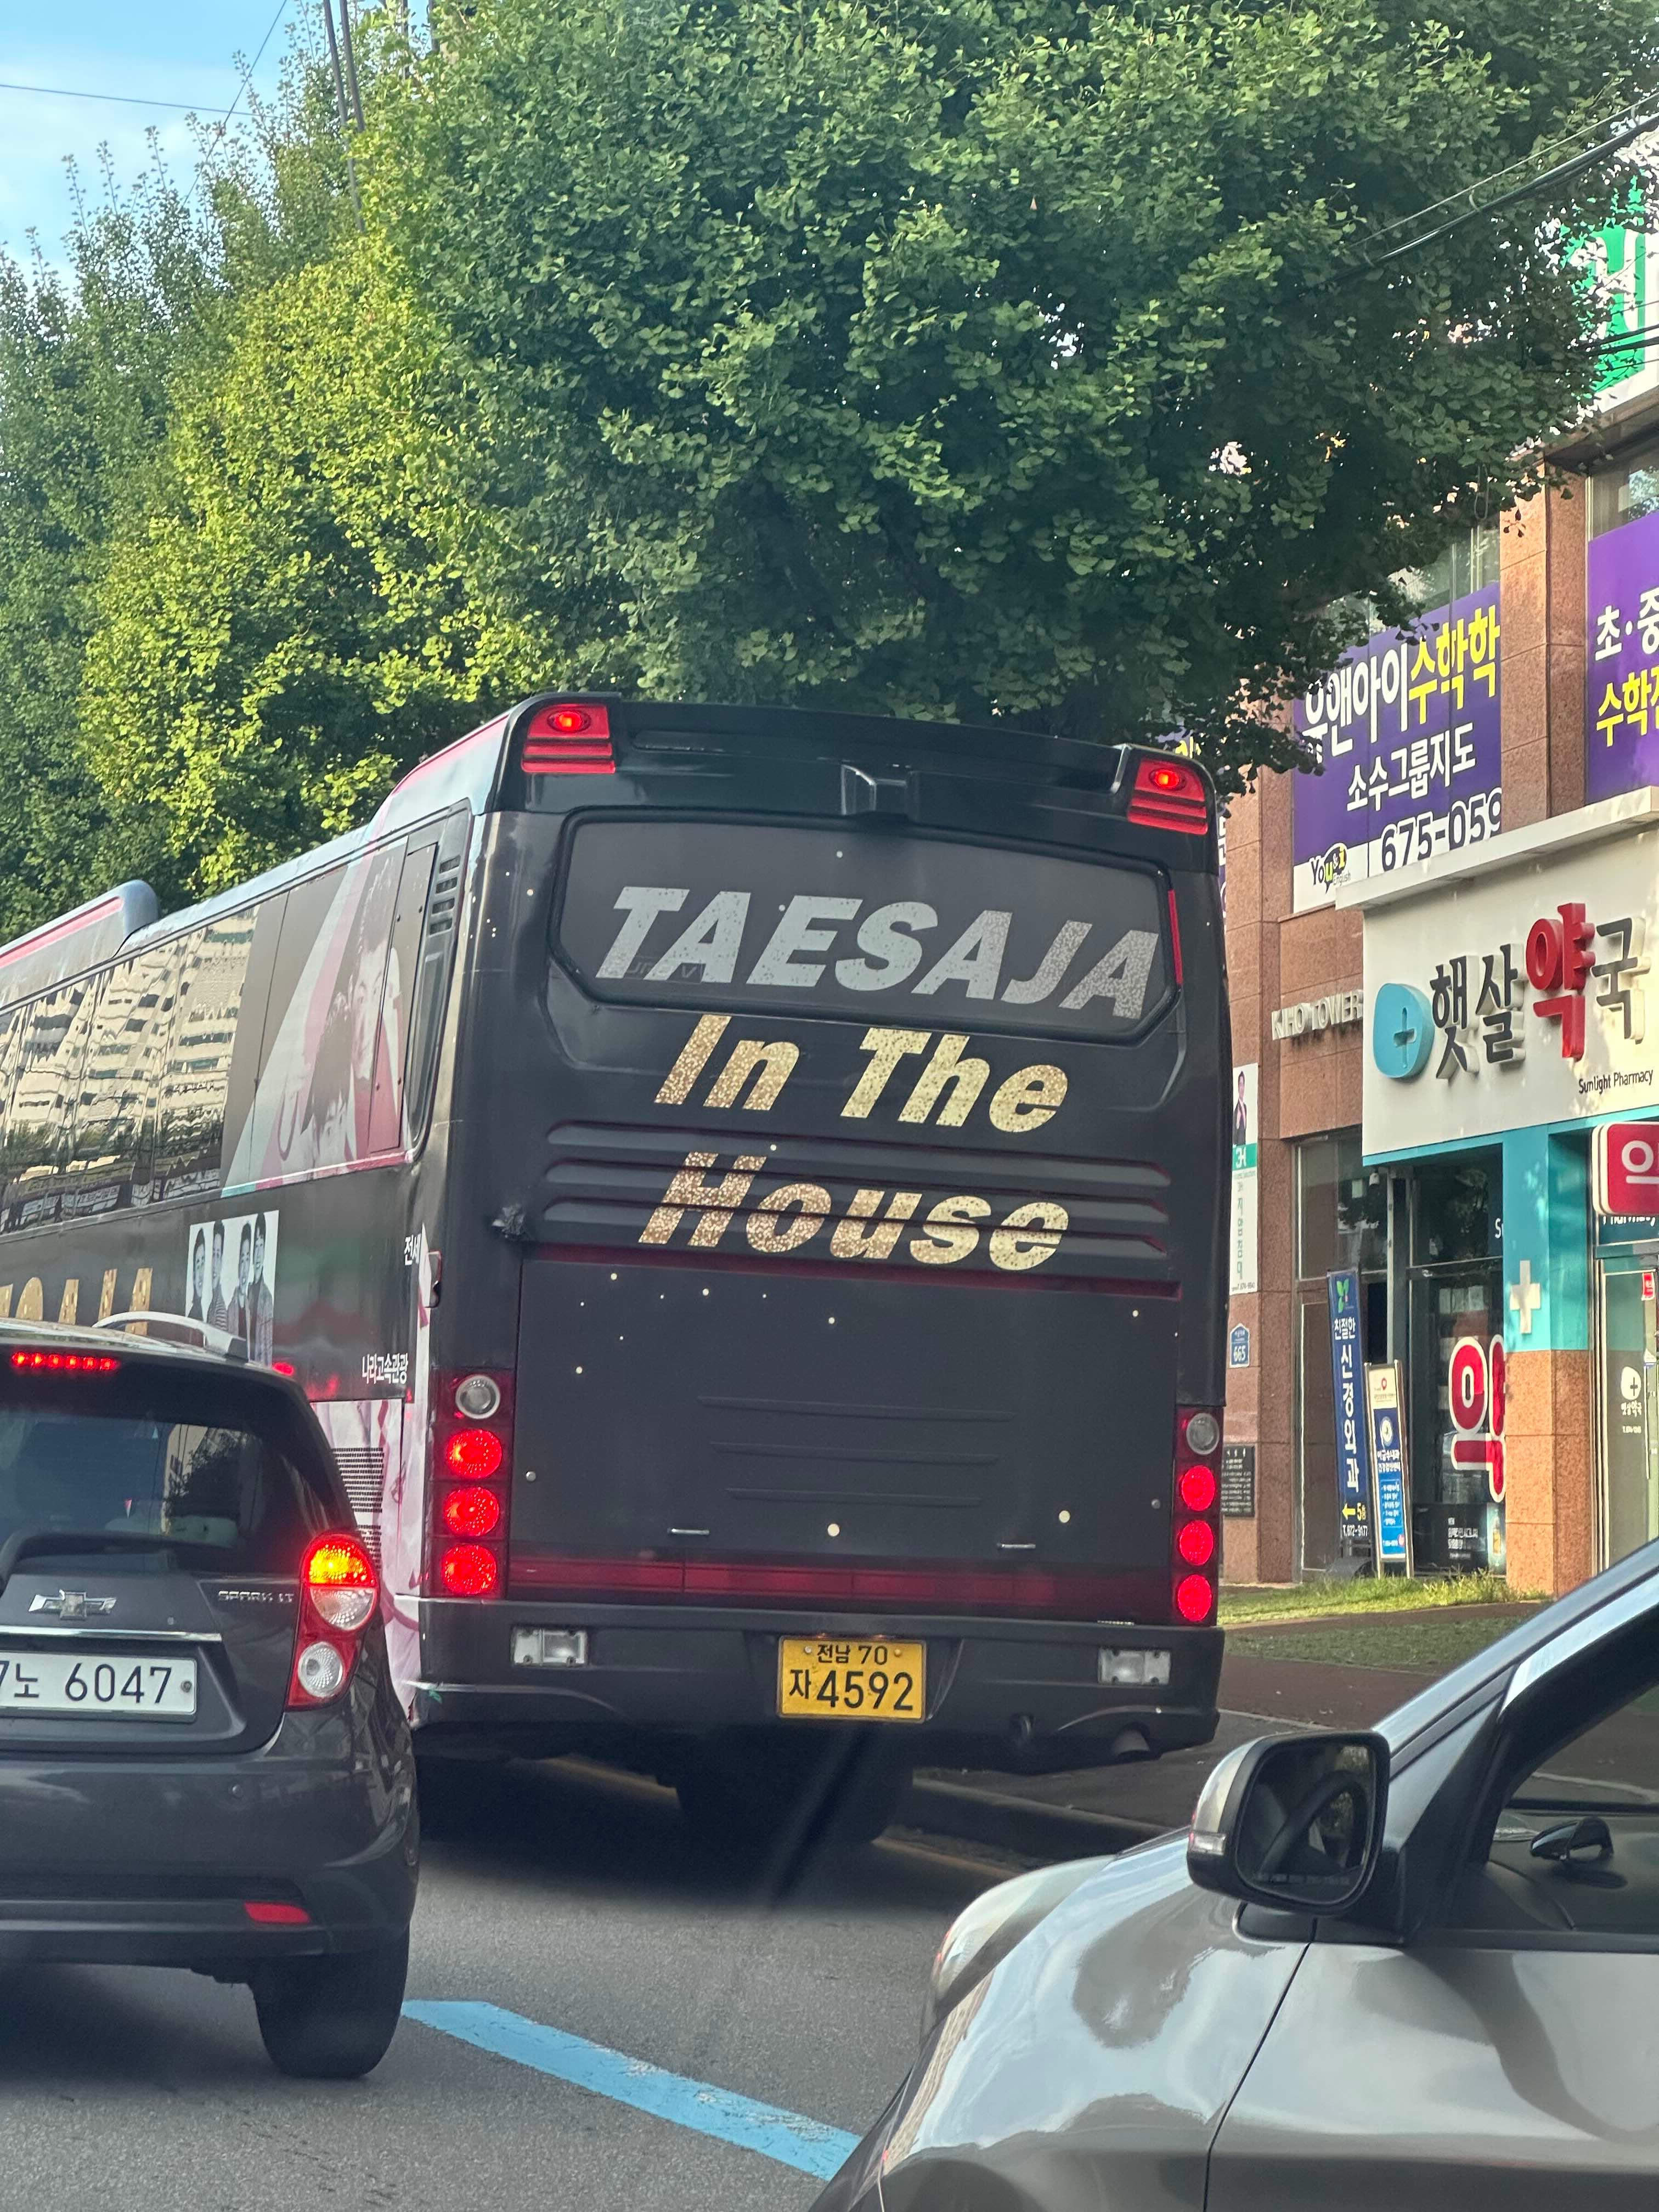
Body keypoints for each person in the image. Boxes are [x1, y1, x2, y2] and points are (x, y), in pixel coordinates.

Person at [248, 1214, 274, 1367]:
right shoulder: (247, 1293)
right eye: (256, 1247)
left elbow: (268, 1350)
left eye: (261, 1246)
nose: (258, 1254)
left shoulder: (267, 1299)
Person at [228, 1222, 253, 1352]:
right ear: (238, 1265)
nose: (244, 1268)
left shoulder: (251, 1309)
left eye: (248, 1259)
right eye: (242, 1260)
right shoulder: (231, 1310)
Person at [205, 1219, 230, 1331]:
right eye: (213, 1254)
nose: (215, 1263)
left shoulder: (220, 1311)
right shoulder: (212, 1305)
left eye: (218, 1255)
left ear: (222, 1260)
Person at [187, 1229, 207, 1323]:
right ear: (194, 1275)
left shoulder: (201, 1309)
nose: (201, 1272)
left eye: (203, 1263)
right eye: (198, 1265)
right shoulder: (194, 1315)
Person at [1232, 1071, 1249, 1149]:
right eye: (1240, 1084)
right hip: (1239, 1150)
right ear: (1238, 1087)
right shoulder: (1236, 1111)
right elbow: (1234, 1140)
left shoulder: (1245, 1107)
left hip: (1246, 1148)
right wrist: (1237, 1124)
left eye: (1243, 1085)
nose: (1242, 1088)